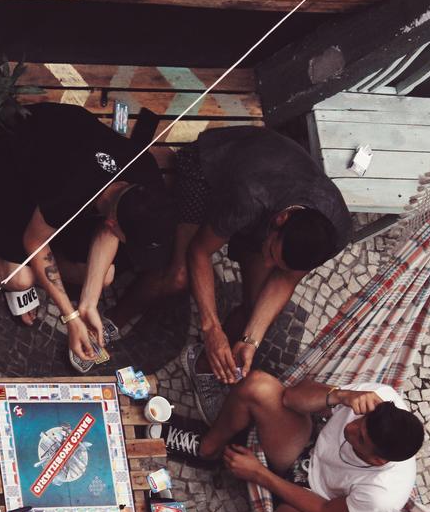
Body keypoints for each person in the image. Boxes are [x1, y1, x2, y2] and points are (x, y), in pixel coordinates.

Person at [0, 102, 175, 367]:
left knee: (105, 276)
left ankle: (22, 270)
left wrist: (88, 304)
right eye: (127, 239)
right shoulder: (73, 185)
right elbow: (35, 241)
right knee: (20, 278)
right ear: (112, 222)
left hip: (64, 188)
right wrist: (70, 317)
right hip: (15, 166)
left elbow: (108, 229)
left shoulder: (143, 179)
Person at [110, 126, 353, 386]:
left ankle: (208, 365)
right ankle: (108, 323)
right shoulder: (250, 196)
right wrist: (211, 326)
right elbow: (199, 251)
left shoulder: (332, 233)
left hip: (262, 212)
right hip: (208, 172)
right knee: (178, 277)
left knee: (257, 307)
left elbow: (285, 280)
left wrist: (251, 340)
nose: (268, 265)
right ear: (282, 219)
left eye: (277, 263)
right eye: (271, 254)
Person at [165, 372, 424, 512]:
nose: (351, 429)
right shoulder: (377, 399)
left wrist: (260, 474)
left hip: (318, 507)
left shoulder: (385, 493)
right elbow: (291, 398)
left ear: (378, 461)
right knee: (258, 385)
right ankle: (207, 449)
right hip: (306, 452)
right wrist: (341, 395)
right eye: (360, 422)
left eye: (361, 440)